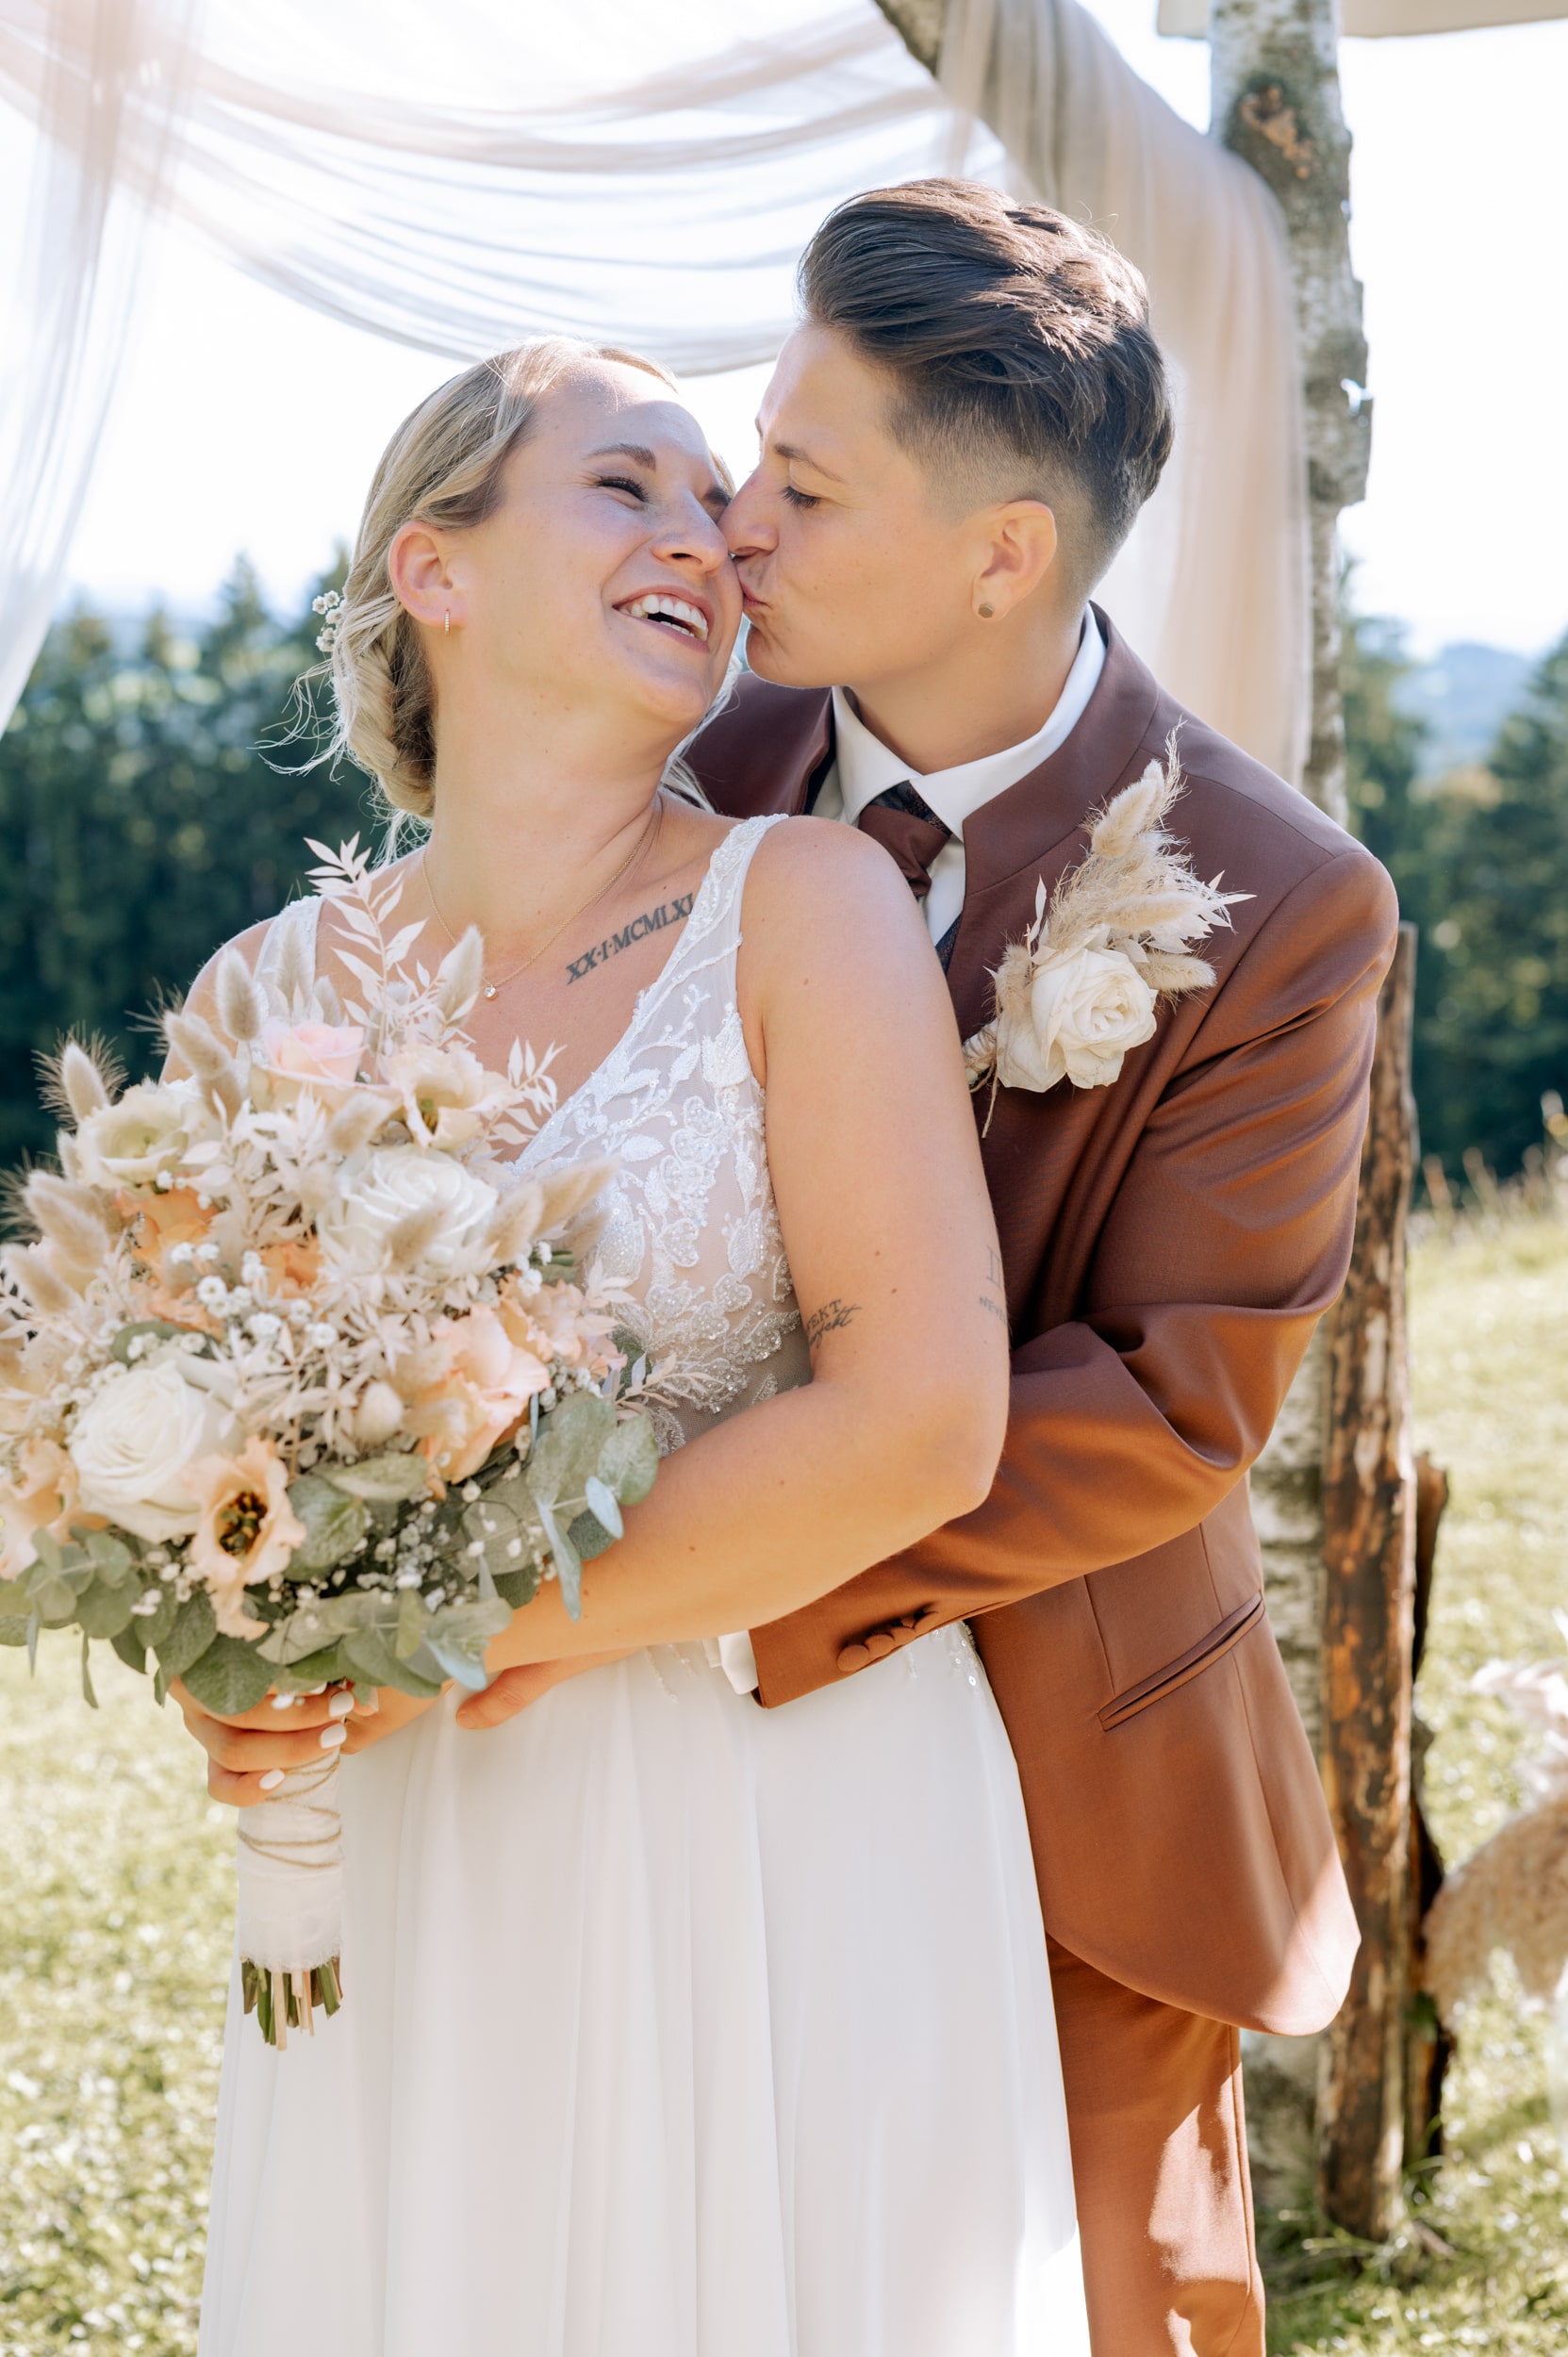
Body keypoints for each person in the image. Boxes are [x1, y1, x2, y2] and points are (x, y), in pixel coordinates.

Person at [470, 182, 1400, 2354]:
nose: (731, 529)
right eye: (743, 462)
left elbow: (1174, 1396)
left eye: (798, 489)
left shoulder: (1279, 902)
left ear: (1003, 552)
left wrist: (693, 1574)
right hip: (639, 1771)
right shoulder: (678, 775)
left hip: (1068, 1749)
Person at [174, 336, 1092, 2356]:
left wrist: (442, 1635)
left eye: (713, 498)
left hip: (779, 1828)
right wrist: (233, 1663)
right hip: (425, 1845)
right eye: (626, 485)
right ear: (434, 568)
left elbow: (923, 1423)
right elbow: (204, 1458)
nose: (705, 535)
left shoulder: (807, 905)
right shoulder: (256, 998)